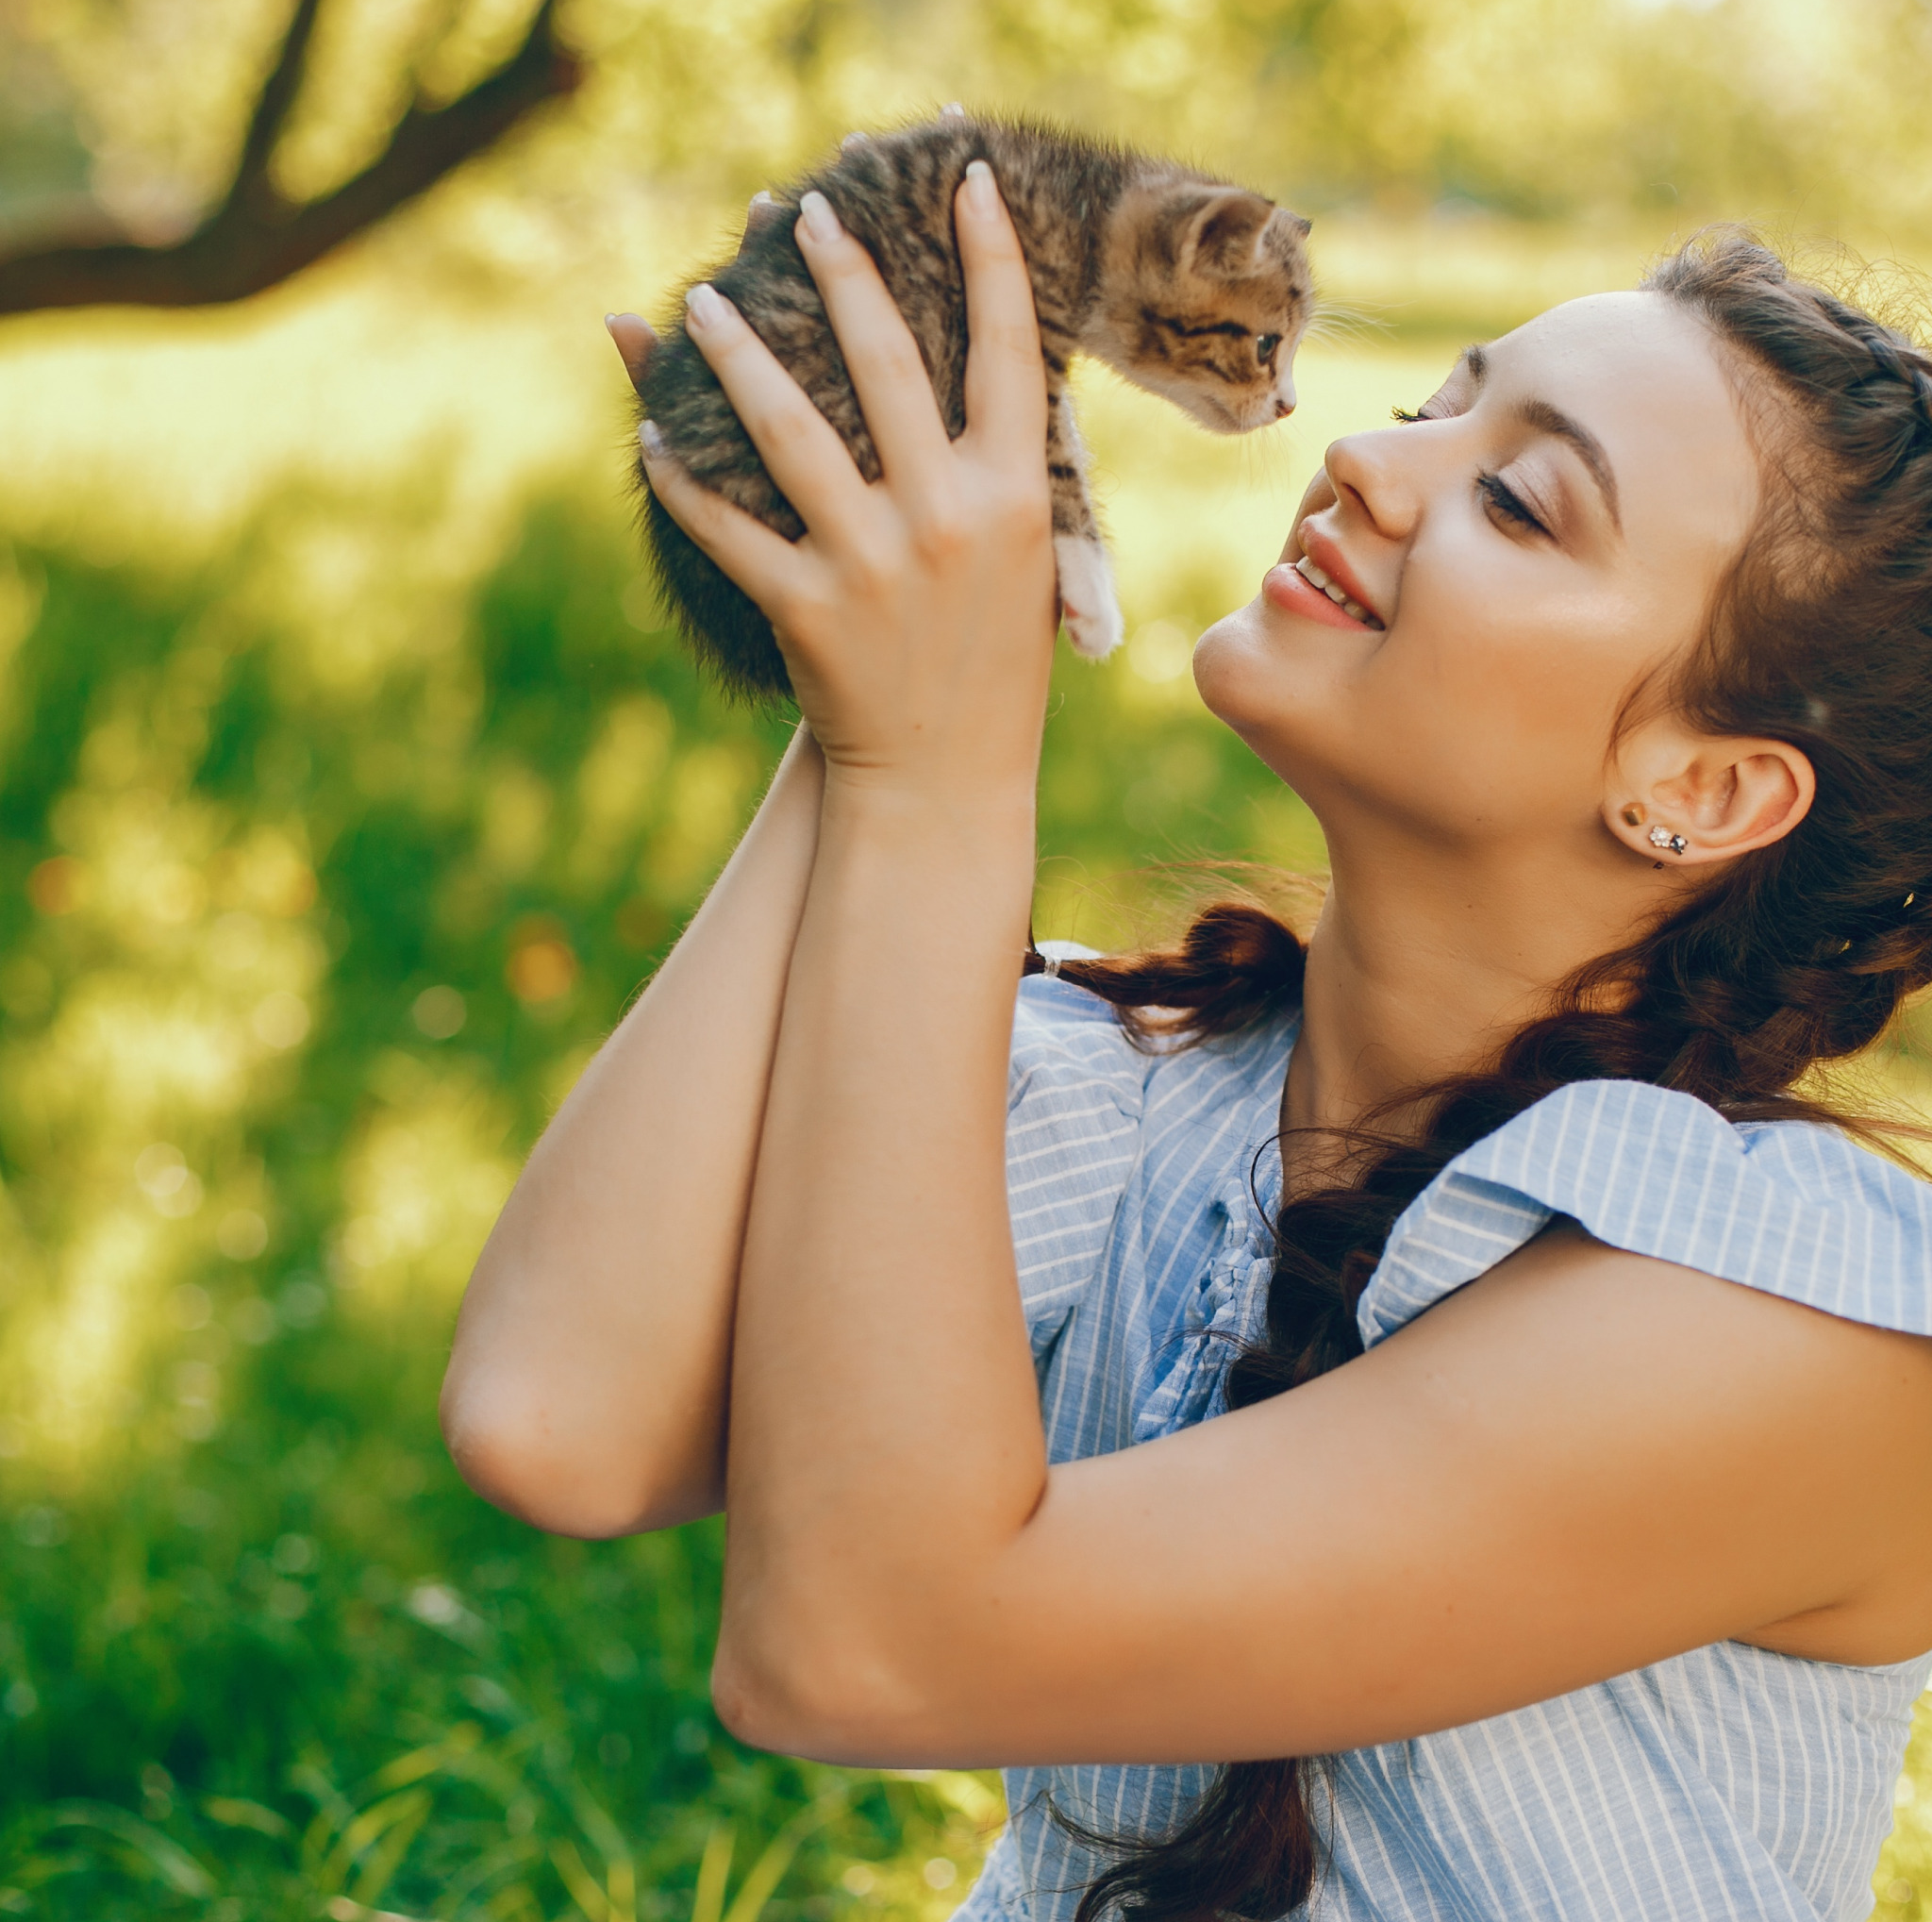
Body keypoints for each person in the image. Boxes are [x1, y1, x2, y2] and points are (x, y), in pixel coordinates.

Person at [439, 162, 1932, 1921]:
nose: (1368, 461)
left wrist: (939, 777)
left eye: (1518, 503)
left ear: (1706, 789)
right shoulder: (1145, 1082)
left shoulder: (1802, 1325)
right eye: (1427, 405)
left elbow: (861, 1651)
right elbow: (562, 1418)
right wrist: (865, 701)